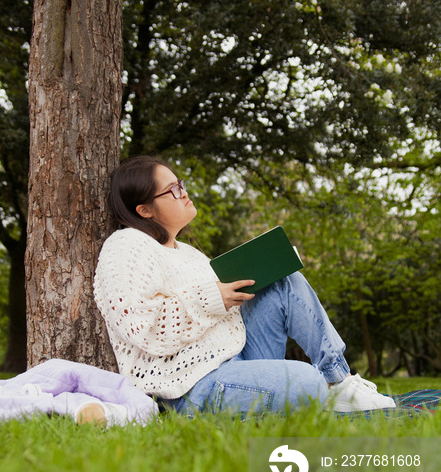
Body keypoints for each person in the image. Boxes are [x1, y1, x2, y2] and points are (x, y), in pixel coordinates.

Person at [93, 155, 396, 416]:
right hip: (189, 387)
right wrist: (214, 297)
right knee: (308, 384)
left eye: (180, 184)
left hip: (236, 357)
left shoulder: (190, 253)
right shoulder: (127, 245)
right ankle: (320, 386)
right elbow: (140, 326)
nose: (183, 192)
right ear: (144, 210)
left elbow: (215, 313)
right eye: (172, 190)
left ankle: (340, 380)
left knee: (284, 282)